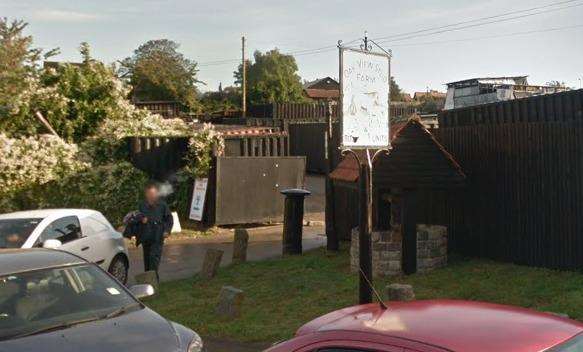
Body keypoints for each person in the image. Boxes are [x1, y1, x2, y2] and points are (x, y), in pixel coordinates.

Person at [137, 182, 173, 281]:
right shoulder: (142, 205)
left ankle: (153, 281)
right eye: (149, 194)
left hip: (157, 236)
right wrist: (141, 220)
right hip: (146, 236)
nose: (152, 196)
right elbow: (138, 217)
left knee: (154, 259)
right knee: (147, 259)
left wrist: (166, 231)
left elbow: (169, 219)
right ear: (146, 194)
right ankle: (147, 279)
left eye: (153, 194)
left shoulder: (162, 205)